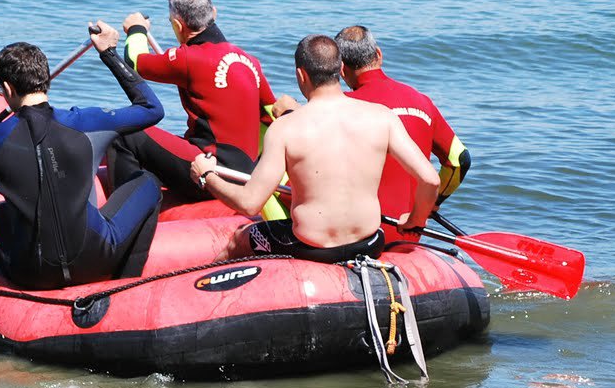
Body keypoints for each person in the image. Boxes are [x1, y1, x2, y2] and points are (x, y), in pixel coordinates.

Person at [0, 22, 164, 290]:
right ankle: (127, 286)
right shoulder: (87, 122)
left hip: (29, 273)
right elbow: (152, 108)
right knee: (148, 182)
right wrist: (108, 53)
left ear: (7, 88)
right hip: (98, 259)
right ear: (45, 80)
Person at [189, 34, 439, 263]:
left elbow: (250, 203)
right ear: (341, 70)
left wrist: (206, 175)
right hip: (370, 243)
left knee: (240, 239)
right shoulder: (382, 118)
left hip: (310, 246)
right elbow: (430, 179)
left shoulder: (285, 129)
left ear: (301, 75)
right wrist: (415, 219)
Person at [106, 0, 287, 206]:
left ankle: (121, 213)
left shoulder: (189, 58)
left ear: (177, 25)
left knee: (123, 130)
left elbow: (135, 61)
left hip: (210, 173)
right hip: (244, 175)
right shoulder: (249, 61)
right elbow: (270, 117)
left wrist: (136, 29)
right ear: (214, 13)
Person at [334, 25, 469, 239]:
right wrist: (430, 204)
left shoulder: (341, 105)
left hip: (363, 236)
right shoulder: (421, 100)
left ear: (341, 69)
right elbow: (459, 160)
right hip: (410, 233)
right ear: (379, 55)